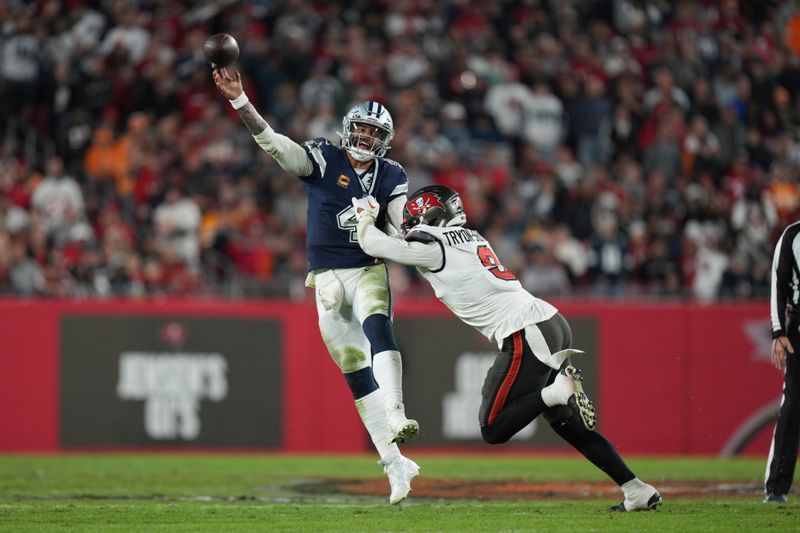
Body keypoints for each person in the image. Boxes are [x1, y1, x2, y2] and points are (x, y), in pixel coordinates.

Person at [351, 185, 662, 511]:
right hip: (549, 321)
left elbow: (372, 243)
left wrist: (365, 217)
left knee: (494, 427)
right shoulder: (470, 237)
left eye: (415, 219)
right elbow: (404, 241)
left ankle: (557, 391)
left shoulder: (433, 246)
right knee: (567, 424)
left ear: (431, 217)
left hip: (524, 331)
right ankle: (636, 489)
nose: (410, 226)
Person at [212, 67, 419, 504]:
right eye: (360, 129)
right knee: (354, 371)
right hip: (325, 278)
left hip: (367, 269)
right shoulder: (324, 157)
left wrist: (420, 235)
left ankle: (397, 410)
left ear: (385, 138)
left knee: (378, 324)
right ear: (348, 129)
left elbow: (402, 223)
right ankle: (395, 464)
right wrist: (240, 101)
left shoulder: (391, 174)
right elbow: (273, 143)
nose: (364, 138)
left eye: (373, 132)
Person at [765, 220, 800, 504]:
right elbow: (779, 280)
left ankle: (776, 486)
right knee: (794, 404)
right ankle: (777, 485)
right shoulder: (792, 235)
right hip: (799, 325)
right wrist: (778, 331)